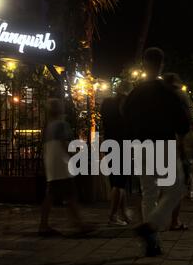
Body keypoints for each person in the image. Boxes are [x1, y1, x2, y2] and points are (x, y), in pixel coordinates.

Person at [123, 48, 190, 256]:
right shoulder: (167, 91)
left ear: (144, 64)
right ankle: (151, 226)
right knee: (176, 189)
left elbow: (125, 116)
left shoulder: (135, 93)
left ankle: (153, 242)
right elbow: (183, 124)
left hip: (141, 145)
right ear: (161, 64)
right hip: (163, 144)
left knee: (148, 193)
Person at [39, 98, 92, 236]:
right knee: (70, 194)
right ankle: (79, 224)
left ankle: (44, 225)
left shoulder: (48, 127)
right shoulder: (62, 125)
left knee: (51, 194)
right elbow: (64, 143)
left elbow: (45, 147)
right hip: (62, 164)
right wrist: (74, 155)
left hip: (52, 164)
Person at [163, 72, 192, 230]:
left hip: (158, 142)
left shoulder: (158, 96)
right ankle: (174, 220)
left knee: (158, 185)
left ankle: (157, 218)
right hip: (177, 143)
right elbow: (187, 120)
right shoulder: (180, 96)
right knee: (177, 185)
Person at [100, 81, 131, 225]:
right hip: (122, 144)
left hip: (109, 143)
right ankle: (113, 215)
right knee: (120, 182)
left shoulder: (106, 103)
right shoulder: (125, 106)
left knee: (116, 181)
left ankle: (123, 212)